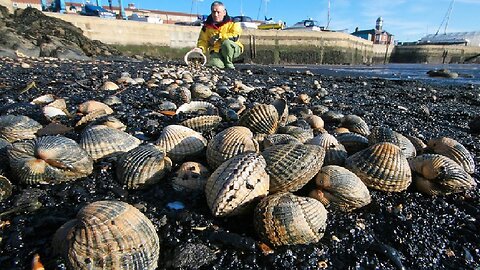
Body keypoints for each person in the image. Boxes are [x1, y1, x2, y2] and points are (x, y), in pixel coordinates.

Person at [191, 1, 243, 69]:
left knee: (226, 43)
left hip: (233, 48)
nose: (215, 14)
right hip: (216, 50)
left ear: (224, 12)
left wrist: (219, 36)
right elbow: (203, 40)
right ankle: (220, 61)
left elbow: (235, 36)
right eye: (213, 12)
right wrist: (200, 48)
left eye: (218, 12)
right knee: (215, 65)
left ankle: (228, 63)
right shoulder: (206, 26)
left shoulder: (234, 22)